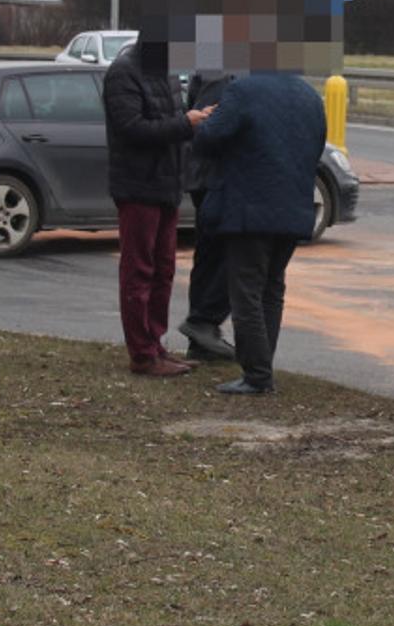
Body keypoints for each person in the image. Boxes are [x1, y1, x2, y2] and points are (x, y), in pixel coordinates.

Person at [193, 71, 328, 395]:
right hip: (294, 207)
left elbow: (209, 139)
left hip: (249, 210)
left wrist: (203, 121)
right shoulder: (310, 95)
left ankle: (256, 375)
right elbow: (318, 144)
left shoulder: (243, 90)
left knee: (246, 293)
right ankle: (262, 367)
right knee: (272, 289)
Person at [104, 41, 211, 377]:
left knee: (163, 270)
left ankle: (156, 344)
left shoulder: (163, 72)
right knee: (139, 270)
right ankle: (142, 354)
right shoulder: (124, 72)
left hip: (167, 186)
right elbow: (131, 129)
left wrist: (192, 126)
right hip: (138, 186)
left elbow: (171, 124)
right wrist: (186, 124)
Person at [177, 73, 237, 363]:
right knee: (230, 253)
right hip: (215, 176)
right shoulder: (224, 68)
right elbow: (206, 125)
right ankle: (203, 322)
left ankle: (203, 336)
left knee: (211, 254)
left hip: (211, 175)